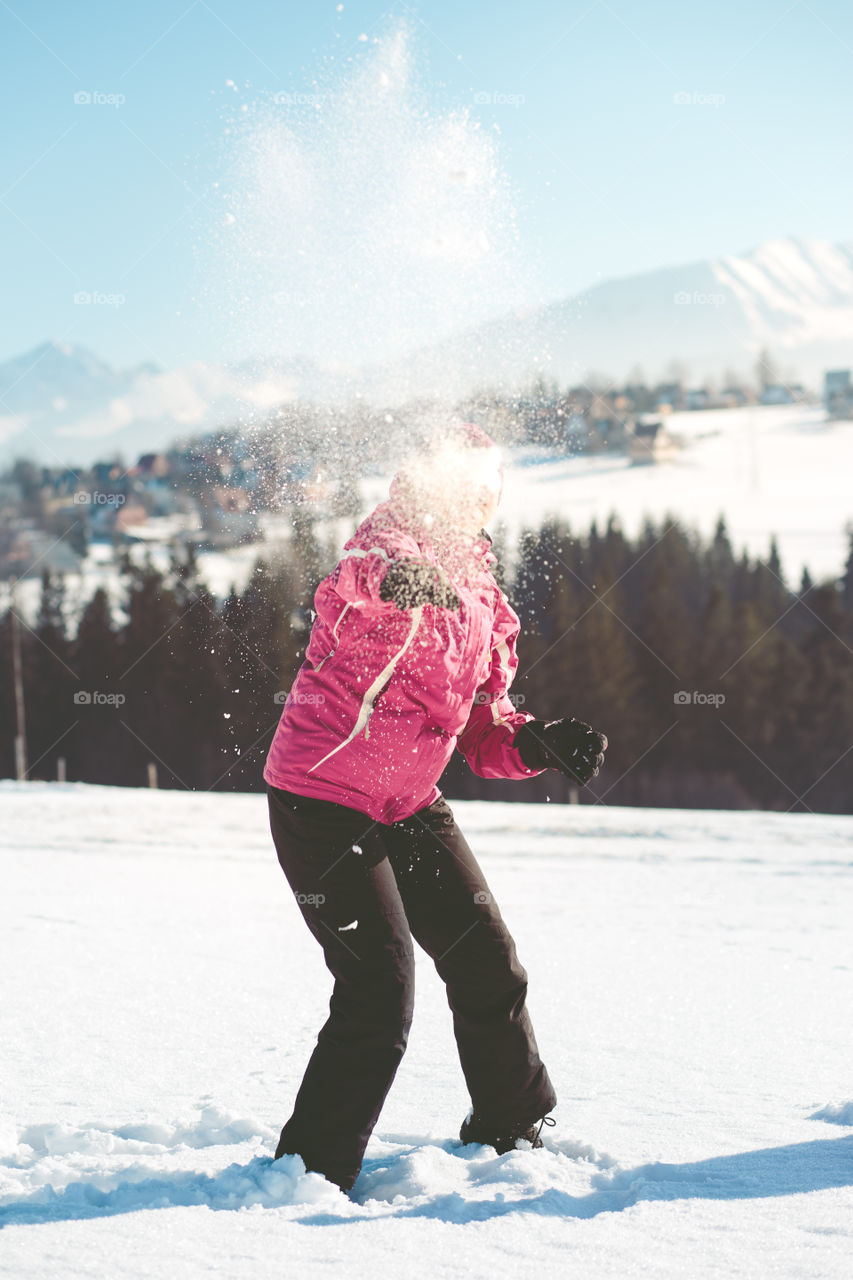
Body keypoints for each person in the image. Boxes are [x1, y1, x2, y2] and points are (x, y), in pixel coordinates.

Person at [264, 420, 608, 1194]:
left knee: (488, 960)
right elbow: (353, 583)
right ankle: (308, 1172)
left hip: (407, 800)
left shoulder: (484, 594)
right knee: (379, 991)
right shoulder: (384, 547)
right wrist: (396, 585)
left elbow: (485, 726)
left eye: (487, 491)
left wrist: (537, 744)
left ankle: (510, 1132)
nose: (478, 504)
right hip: (321, 797)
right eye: (466, 487)